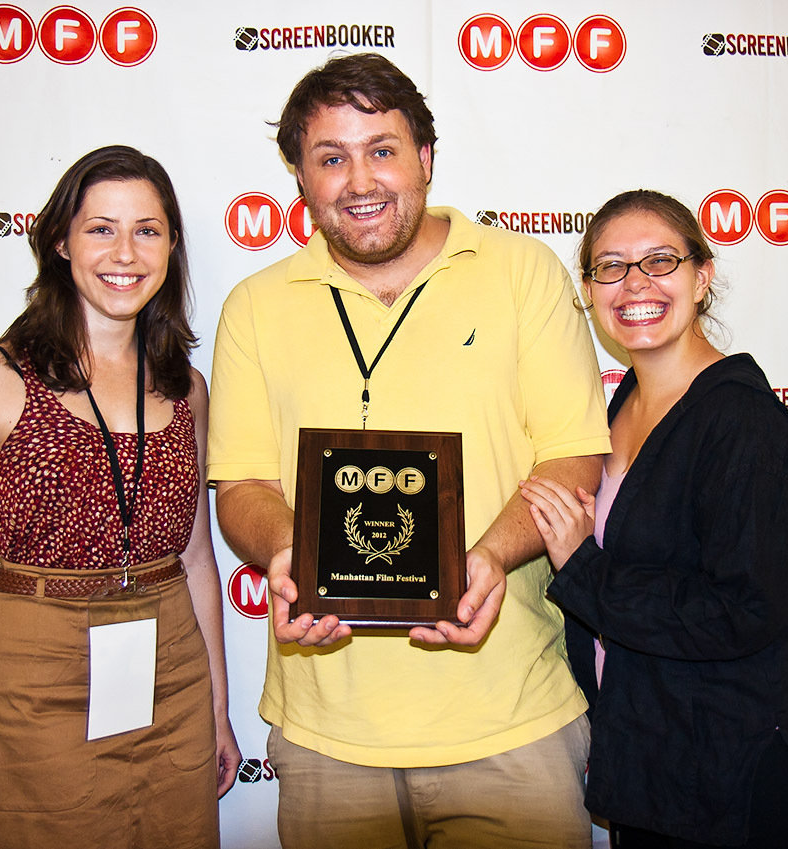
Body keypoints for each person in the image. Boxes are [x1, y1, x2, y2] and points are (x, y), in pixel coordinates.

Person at [208, 53, 610, 848]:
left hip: (510, 719)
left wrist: (488, 558)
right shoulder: (254, 308)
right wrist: (295, 554)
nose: (359, 179)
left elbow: (570, 461)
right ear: (300, 179)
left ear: (425, 158)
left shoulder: (522, 272)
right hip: (329, 733)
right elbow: (242, 485)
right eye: (331, 158)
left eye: (382, 149)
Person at [0, 145, 240, 849]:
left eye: (147, 230)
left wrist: (216, 709)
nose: (125, 251)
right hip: (39, 677)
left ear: (172, 244)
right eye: (101, 228)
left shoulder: (186, 388)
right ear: (60, 241)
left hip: (173, 674)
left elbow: (196, 558)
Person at [520, 189, 788, 848]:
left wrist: (584, 568)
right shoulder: (623, 408)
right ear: (589, 290)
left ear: (702, 276)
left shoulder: (744, 425)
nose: (634, 282)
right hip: (653, 765)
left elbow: (742, 610)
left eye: (659, 260)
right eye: (610, 266)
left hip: (737, 774)